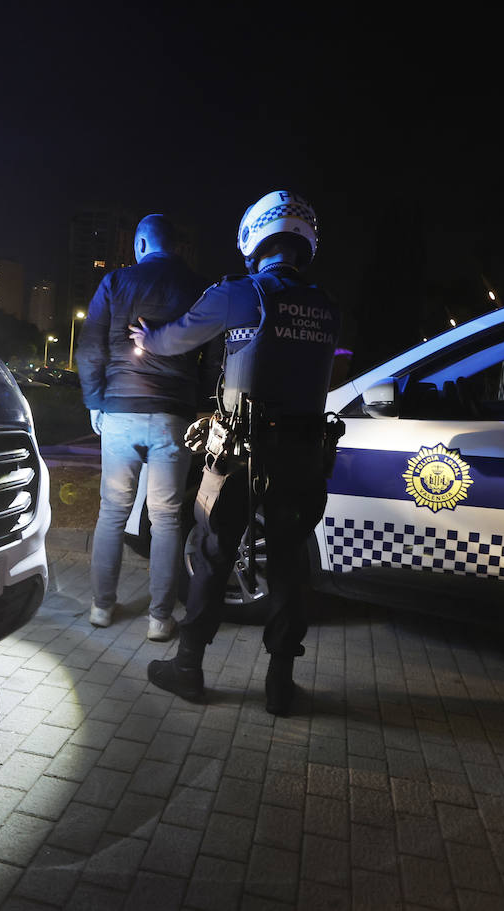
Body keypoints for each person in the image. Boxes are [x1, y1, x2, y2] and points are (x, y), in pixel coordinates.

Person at [129, 190, 341, 715]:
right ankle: (280, 685)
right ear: (305, 241)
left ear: (254, 237)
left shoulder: (241, 293)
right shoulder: (326, 306)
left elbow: (175, 339)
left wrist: (146, 337)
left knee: (213, 554)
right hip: (303, 453)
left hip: (240, 453)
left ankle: (188, 669)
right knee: (290, 564)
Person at [76, 214, 215, 640]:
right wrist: (197, 406)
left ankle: (102, 608)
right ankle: (159, 618)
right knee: (167, 518)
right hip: (172, 415)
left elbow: (90, 349)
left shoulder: (116, 283)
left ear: (139, 244)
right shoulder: (198, 287)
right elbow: (211, 358)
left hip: (119, 410)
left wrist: (95, 401)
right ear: (176, 246)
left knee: (112, 513)